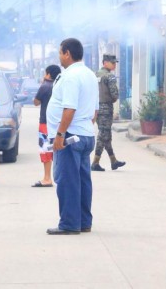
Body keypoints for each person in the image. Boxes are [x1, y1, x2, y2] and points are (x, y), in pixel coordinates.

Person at [46, 38, 98, 235]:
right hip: (85, 134)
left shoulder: (70, 76)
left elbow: (70, 108)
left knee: (67, 180)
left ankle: (69, 223)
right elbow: (94, 111)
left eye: (60, 53)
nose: (59, 57)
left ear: (67, 53)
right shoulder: (90, 75)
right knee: (83, 180)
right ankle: (84, 221)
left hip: (70, 135)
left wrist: (60, 134)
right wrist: (84, 128)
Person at [91, 54, 126, 171]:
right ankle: (95, 162)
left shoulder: (94, 75)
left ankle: (113, 160)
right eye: (112, 62)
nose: (114, 64)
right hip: (106, 108)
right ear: (105, 63)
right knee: (103, 134)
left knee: (106, 135)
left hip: (95, 108)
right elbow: (115, 95)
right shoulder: (110, 76)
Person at [32, 64, 61, 187]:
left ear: (48, 74)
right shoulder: (59, 86)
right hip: (59, 123)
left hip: (45, 122)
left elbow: (36, 102)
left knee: (45, 149)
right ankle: (60, 177)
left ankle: (47, 177)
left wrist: (43, 83)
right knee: (58, 150)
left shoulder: (45, 86)